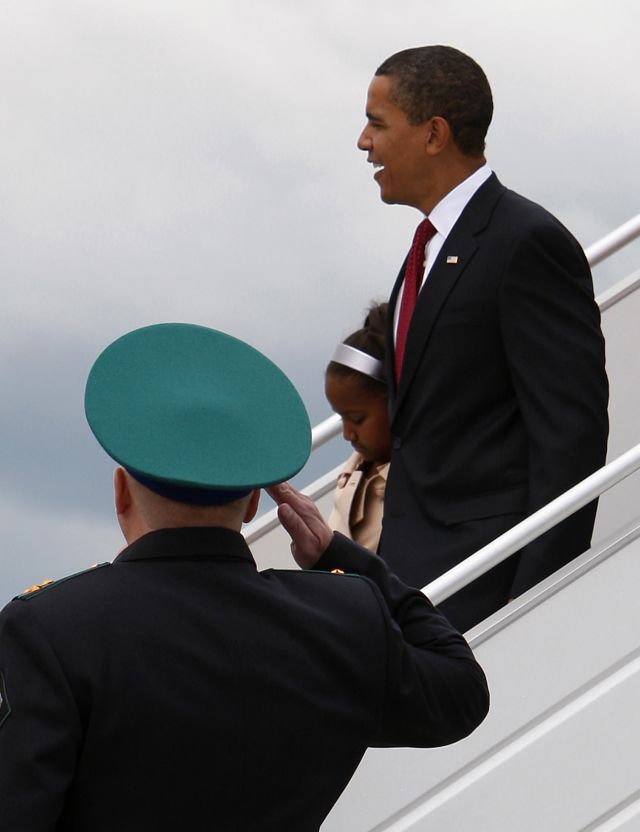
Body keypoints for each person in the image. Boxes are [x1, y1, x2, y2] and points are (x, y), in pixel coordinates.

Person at [0, 322, 489, 831]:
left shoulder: (51, 631)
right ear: (255, 501)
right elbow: (461, 692)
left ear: (121, 491)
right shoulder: (345, 618)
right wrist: (344, 558)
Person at [357, 45, 609, 632]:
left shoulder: (526, 242)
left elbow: (569, 439)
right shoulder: (426, 251)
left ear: (434, 134)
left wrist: (534, 605)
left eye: (376, 123)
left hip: (486, 592)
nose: (363, 143)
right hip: (415, 589)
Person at [325, 302, 390, 551]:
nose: (347, 434)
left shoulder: (417, 476)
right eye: (342, 418)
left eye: (357, 418)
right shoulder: (353, 472)